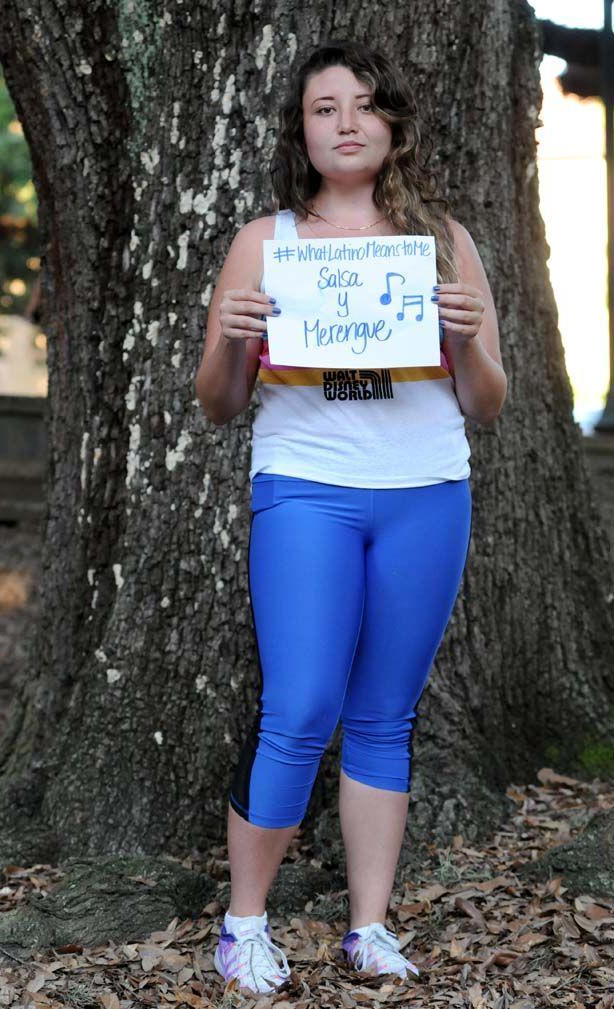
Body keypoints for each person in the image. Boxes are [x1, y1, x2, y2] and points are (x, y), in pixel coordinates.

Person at [195, 38, 506, 996]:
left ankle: (367, 928)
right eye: (325, 107)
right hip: (307, 487)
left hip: (426, 492)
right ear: (302, 128)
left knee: (383, 714)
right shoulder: (265, 241)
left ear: (392, 123)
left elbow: (488, 403)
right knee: (300, 706)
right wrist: (233, 343)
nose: (345, 122)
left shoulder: (444, 243)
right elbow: (217, 401)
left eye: (363, 105)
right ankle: (243, 926)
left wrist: (464, 341)